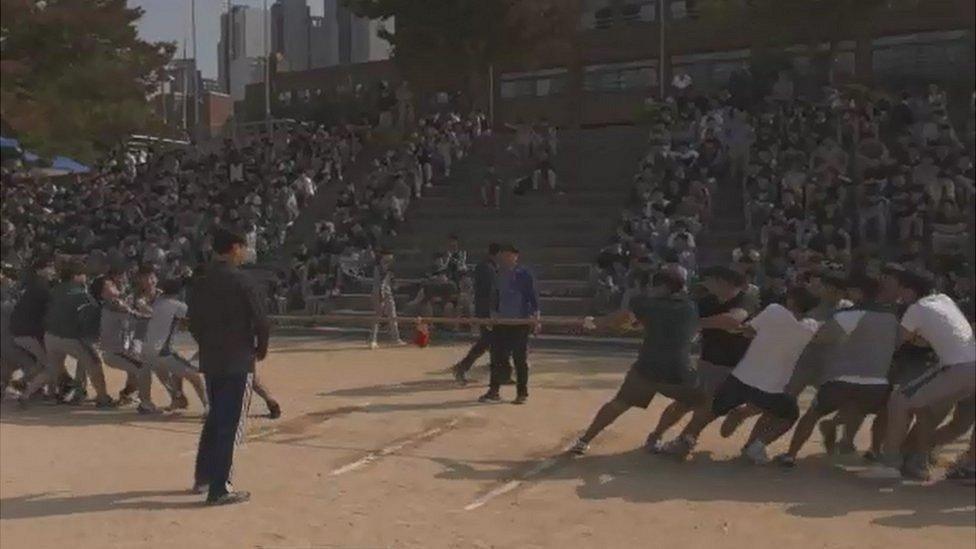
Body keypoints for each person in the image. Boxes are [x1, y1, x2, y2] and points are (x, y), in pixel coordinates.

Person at [681, 286, 820, 464]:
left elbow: (748, 331)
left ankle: (687, 438)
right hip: (773, 386)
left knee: (712, 410)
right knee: (788, 415)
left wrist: (738, 329)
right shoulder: (811, 326)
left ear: (791, 300)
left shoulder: (774, 310)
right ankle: (756, 444)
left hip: (743, 376)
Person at [570, 267, 699, 455]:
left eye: (654, 286)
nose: (650, 290)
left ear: (664, 286)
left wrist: (594, 323)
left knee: (619, 404)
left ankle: (584, 440)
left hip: (648, 367)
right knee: (689, 402)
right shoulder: (690, 306)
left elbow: (621, 320)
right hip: (679, 368)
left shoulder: (646, 304)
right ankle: (656, 437)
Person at [862, 269, 976, 481]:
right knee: (931, 410)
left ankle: (891, 463)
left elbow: (897, 342)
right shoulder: (944, 299)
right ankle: (917, 458)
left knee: (899, 400)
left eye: (901, 289)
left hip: (959, 367)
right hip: (968, 364)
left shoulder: (916, 309)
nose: (899, 294)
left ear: (910, 290)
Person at [775, 276, 900, 467]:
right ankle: (874, 450)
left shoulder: (848, 315)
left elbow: (821, 338)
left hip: (841, 379)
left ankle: (791, 455)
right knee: (881, 412)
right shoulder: (892, 318)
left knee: (813, 413)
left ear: (857, 292)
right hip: (877, 382)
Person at [189, 227, 270, 505]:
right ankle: (220, 487)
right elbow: (261, 320)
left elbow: (194, 322)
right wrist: (260, 349)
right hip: (237, 358)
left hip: (212, 358)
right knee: (230, 424)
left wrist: (206, 344)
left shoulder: (201, 280)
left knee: (215, 417)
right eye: (243, 247)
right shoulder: (243, 281)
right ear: (235, 248)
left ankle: (204, 476)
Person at [18, 261, 116, 409]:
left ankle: (26, 395)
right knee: (94, 365)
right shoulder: (82, 295)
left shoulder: (55, 289)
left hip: (50, 336)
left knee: (52, 369)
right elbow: (87, 321)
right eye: (83, 274)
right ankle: (103, 398)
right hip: (72, 338)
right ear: (75, 276)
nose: (85, 276)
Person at [479, 244, 539, 405]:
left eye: (509, 255)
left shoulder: (524, 274)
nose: (505, 259)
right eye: (503, 256)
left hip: (520, 321)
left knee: (520, 358)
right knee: (497, 357)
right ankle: (494, 390)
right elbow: (495, 296)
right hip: (501, 321)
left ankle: (522, 393)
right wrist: (492, 314)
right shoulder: (498, 273)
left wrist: (536, 315)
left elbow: (532, 296)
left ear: (515, 256)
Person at [141, 278, 209, 414]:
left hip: (147, 351)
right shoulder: (178, 305)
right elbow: (196, 320)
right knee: (195, 376)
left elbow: (177, 322)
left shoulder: (158, 302)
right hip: (161, 351)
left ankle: (178, 399)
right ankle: (208, 407)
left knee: (176, 372)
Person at [452, 243, 505, 384]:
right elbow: (489, 292)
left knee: (491, 342)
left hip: (489, 310)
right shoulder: (486, 268)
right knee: (487, 342)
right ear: (498, 254)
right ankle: (462, 367)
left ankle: (500, 373)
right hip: (487, 311)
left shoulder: (490, 267)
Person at [8, 258, 56, 391]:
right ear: (40, 271)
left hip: (20, 330)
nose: (52, 269)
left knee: (42, 362)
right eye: (49, 266)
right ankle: (28, 391)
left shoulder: (33, 284)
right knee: (49, 365)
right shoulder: (41, 287)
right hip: (28, 332)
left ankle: (24, 382)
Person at [369, 249, 404, 349]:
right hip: (378, 293)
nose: (389, 261)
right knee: (377, 316)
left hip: (388, 293)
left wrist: (397, 285)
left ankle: (395, 338)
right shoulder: (378, 268)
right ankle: (373, 340)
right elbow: (381, 284)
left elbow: (391, 283)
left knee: (393, 315)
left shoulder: (390, 269)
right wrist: (382, 297)